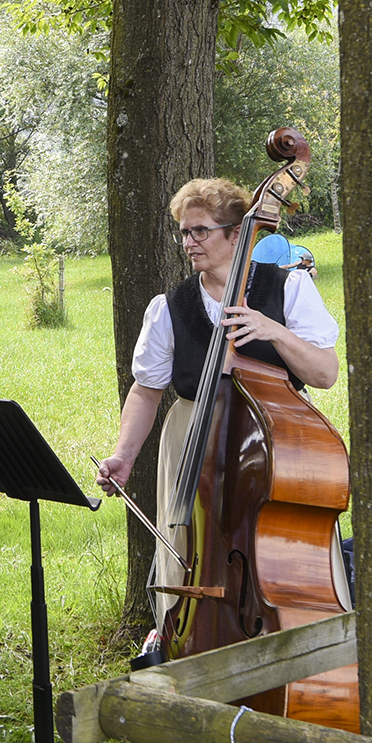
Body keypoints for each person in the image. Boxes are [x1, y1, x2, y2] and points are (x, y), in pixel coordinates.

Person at [94, 179, 342, 634]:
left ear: (236, 233)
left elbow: (325, 374)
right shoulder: (169, 306)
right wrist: (123, 456)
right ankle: (186, 640)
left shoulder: (289, 288)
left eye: (201, 231)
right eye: (184, 232)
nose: (189, 242)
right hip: (192, 438)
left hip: (273, 440)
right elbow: (146, 390)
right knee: (192, 548)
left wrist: (274, 331)